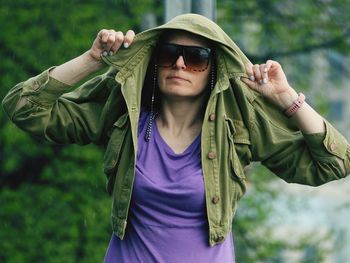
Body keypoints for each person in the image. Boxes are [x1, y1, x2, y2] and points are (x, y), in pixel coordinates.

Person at [2, 13, 350, 263]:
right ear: (155, 63)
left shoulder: (236, 129)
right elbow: (24, 107)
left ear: (214, 70)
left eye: (197, 58)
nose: (180, 64)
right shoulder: (124, 116)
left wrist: (287, 96)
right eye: (169, 54)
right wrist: (93, 59)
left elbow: (334, 164)